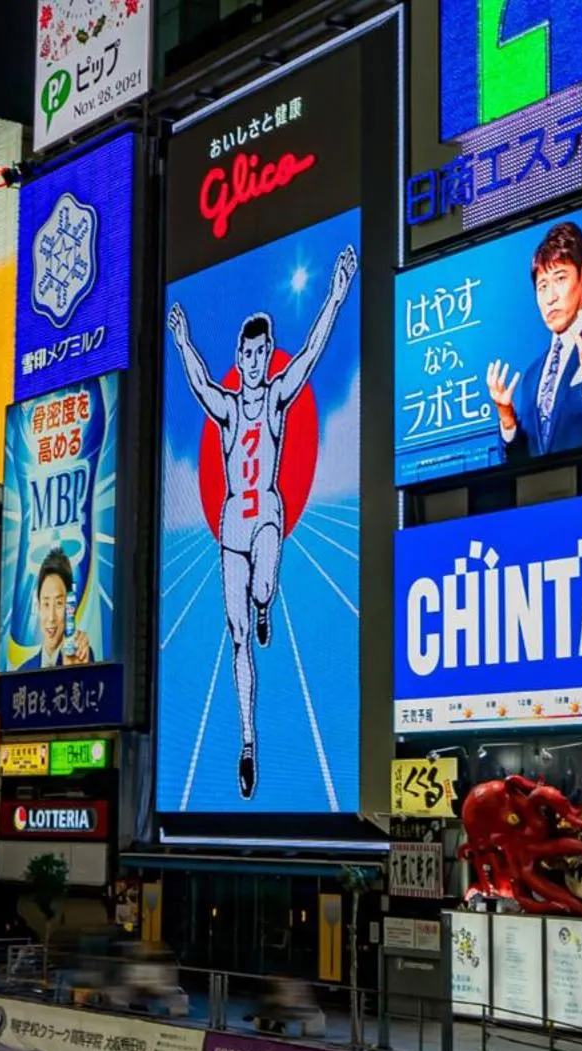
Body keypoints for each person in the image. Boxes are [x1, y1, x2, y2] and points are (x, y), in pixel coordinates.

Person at [167, 243, 357, 800]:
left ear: (268, 353)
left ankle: (267, 600)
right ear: (240, 355)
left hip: (267, 514)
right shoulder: (228, 408)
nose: (253, 361)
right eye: (246, 354)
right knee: (237, 635)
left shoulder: (276, 399)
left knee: (264, 584)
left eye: (261, 352)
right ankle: (249, 741)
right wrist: (182, 341)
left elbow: (315, 352)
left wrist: (337, 293)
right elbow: (201, 385)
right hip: (232, 525)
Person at [486, 221, 582, 461]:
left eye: (560, 279)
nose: (550, 297)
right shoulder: (531, 377)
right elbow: (519, 469)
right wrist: (507, 420)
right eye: (542, 286)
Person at [16, 548, 90, 670]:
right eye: (46, 604)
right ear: (38, 606)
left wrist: (74, 671)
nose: (51, 617)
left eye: (59, 603)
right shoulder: (24, 671)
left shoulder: (82, 656)